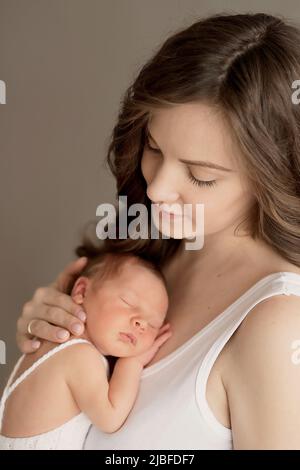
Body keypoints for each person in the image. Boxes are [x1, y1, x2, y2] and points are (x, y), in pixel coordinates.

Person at [15, 12, 300, 449]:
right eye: (154, 148)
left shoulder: (278, 326)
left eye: (201, 175)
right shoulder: (149, 252)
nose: (158, 189)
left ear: (273, 176)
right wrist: (46, 350)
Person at [0, 253, 171, 449]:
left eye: (153, 324)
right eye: (128, 302)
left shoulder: (50, 340)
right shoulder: (81, 356)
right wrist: (132, 364)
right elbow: (110, 417)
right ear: (81, 290)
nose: (141, 323)